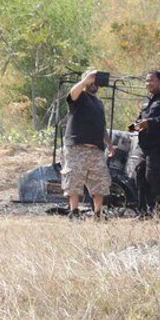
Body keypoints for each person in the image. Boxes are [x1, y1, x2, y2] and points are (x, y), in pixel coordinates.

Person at [62, 69, 116, 219]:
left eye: (96, 81)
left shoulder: (98, 103)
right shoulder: (79, 97)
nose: (94, 84)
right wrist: (85, 80)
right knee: (74, 179)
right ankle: (74, 212)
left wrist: (109, 144)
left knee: (100, 181)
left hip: (96, 149)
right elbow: (72, 93)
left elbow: (102, 125)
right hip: (77, 147)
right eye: (91, 80)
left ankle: (98, 213)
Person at [131, 70, 160, 218]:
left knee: (152, 175)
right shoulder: (146, 101)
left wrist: (149, 123)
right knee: (140, 174)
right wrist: (135, 124)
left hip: (158, 145)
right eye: (146, 81)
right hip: (143, 145)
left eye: (151, 80)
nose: (148, 84)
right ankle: (144, 211)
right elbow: (140, 118)